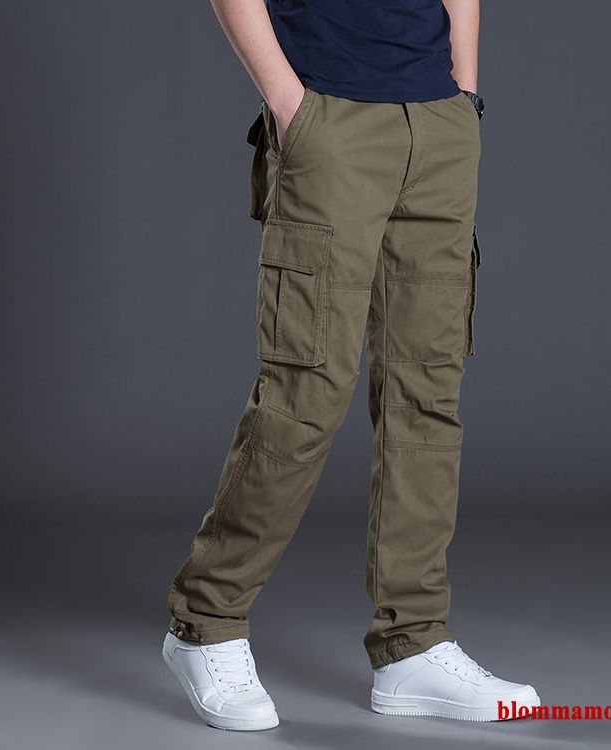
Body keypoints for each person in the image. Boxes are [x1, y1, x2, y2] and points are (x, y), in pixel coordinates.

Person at [162, 0, 540, 730]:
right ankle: (206, 621)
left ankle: (412, 642)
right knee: (305, 393)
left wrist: (461, 94)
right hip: (330, 117)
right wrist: (289, 104)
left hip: (438, 123)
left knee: (426, 394)